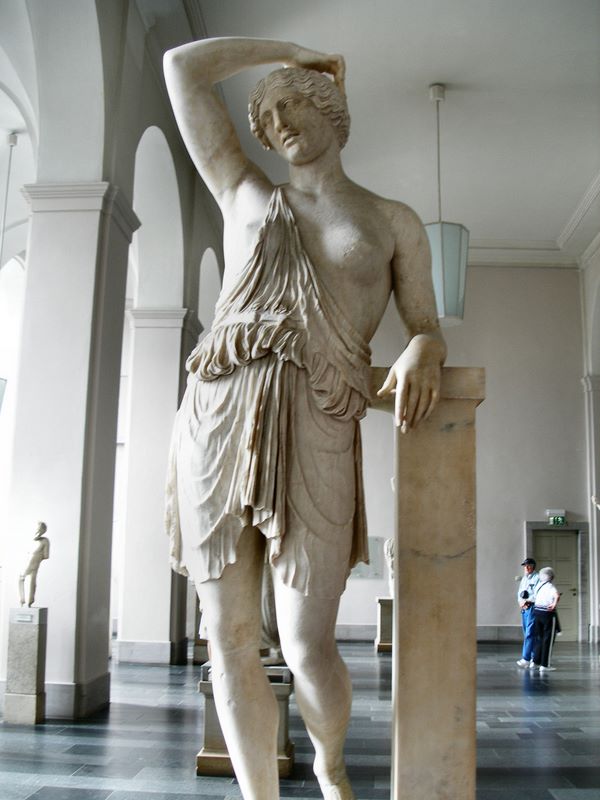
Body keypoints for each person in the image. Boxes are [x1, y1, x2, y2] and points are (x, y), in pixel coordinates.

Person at [163, 37, 446, 800]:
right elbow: (182, 69)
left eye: (292, 102)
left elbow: (424, 324)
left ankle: (329, 763)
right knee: (228, 638)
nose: (279, 122)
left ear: (331, 109)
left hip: (321, 416)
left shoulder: (391, 220)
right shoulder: (244, 193)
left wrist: (425, 346)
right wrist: (287, 52)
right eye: (266, 116)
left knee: (307, 641)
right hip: (220, 415)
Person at [531, 566, 560, 672]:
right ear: (551, 576)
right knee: (548, 640)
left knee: (539, 638)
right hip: (547, 614)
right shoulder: (550, 586)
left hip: (537, 612)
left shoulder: (539, 586)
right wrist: (554, 604)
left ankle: (535, 662)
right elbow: (557, 596)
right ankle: (545, 665)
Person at [18, 521, 50, 607]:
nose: (38, 532)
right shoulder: (29, 540)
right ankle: (23, 601)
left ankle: (29, 602)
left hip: (33, 564)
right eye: (37, 530)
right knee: (23, 579)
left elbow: (46, 555)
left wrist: (37, 557)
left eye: (40, 531)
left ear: (43, 532)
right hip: (27, 563)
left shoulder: (44, 541)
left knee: (31, 582)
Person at [516, 557, 539, 668]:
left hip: (532, 607)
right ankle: (534, 658)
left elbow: (537, 593)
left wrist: (529, 600)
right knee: (527, 633)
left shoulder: (537, 577)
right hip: (524, 608)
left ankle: (526, 658)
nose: (526, 567)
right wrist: (521, 602)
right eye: (525, 566)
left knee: (530, 633)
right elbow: (520, 592)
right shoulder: (524, 578)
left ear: (533, 566)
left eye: (528, 565)